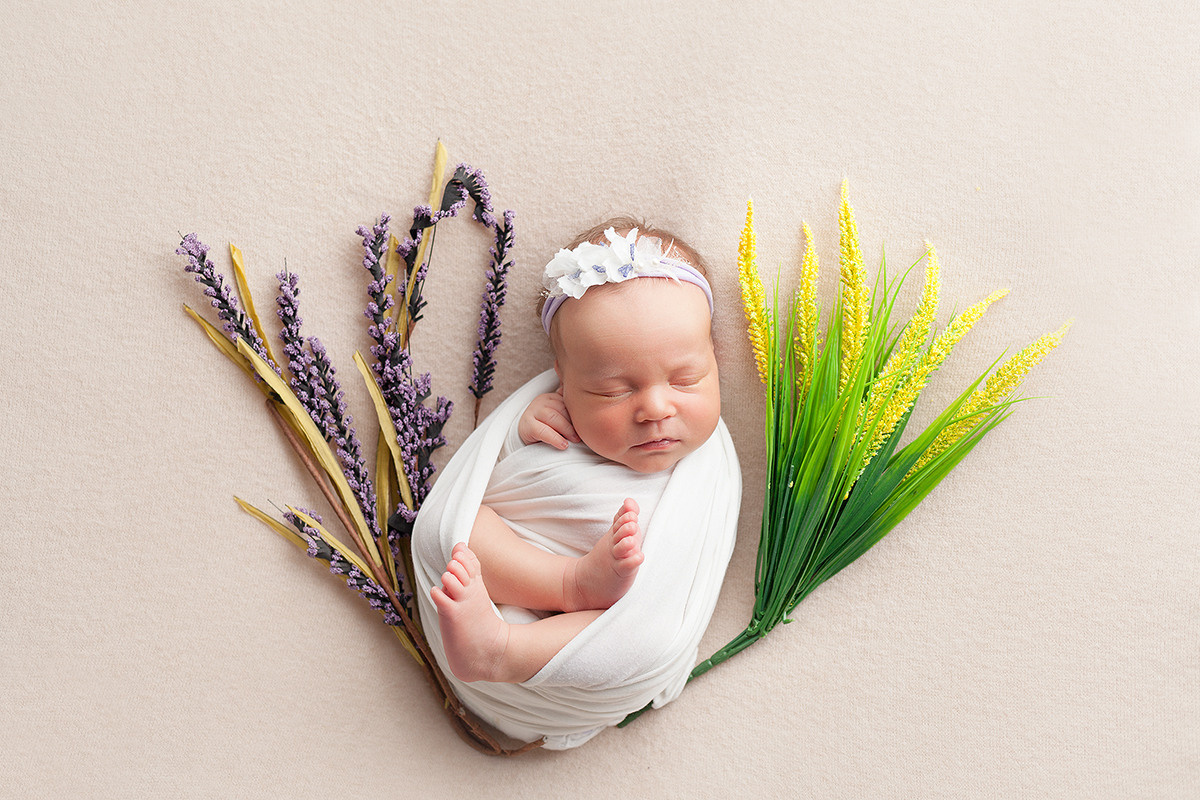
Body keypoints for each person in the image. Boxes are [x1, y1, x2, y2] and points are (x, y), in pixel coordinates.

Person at [429, 219, 726, 684]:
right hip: (515, 577)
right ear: (564, 384)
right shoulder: (555, 420)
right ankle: (570, 584)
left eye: (685, 379)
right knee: (451, 526)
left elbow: (686, 577)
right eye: (611, 392)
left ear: (716, 360)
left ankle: (504, 652)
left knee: (651, 636)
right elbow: (489, 480)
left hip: (581, 640)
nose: (654, 407)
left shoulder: (712, 470)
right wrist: (519, 433)